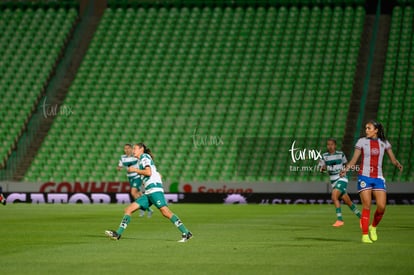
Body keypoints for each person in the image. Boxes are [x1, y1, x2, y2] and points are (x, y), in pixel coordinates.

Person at [106, 143, 193, 242]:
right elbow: (157, 174)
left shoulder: (144, 156)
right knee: (128, 210)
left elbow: (148, 172)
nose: (133, 150)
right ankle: (118, 234)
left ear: (141, 149)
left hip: (154, 190)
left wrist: (135, 170)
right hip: (149, 191)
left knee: (166, 212)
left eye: (135, 148)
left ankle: (186, 233)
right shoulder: (141, 160)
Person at [340, 120, 403, 243]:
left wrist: (397, 164)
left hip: (378, 177)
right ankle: (364, 235)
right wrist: (345, 170)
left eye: (369, 128)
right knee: (367, 205)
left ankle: (373, 227)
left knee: (381, 207)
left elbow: (392, 158)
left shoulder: (384, 143)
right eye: (365, 128)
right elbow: (354, 159)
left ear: (376, 130)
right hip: (364, 177)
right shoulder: (362, 142)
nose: (366, 130)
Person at [319, 138, 361, 227]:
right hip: (333, 181)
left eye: (331, 144)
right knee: (348, 201)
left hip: (342, 178)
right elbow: (321, 168)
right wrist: (322, 169)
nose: (330, 146)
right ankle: (362, 218)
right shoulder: (324, 156)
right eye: (328, 144)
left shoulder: (340, 154)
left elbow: (346, 165)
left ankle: (340, 219)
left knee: (334, 197)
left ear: (335, 145)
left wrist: (344, 171)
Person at [118, 143, 153, 217]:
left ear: (131, 149)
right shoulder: (122, 157)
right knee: (139, 194)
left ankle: (144, 208)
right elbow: (120, 165)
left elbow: (133, 163)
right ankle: (147, 208)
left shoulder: (136, 156)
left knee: (133, 193)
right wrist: (119, 168)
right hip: (130, 177)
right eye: (125, 148)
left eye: (128, 148)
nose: (127, 150)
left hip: (137, 176)